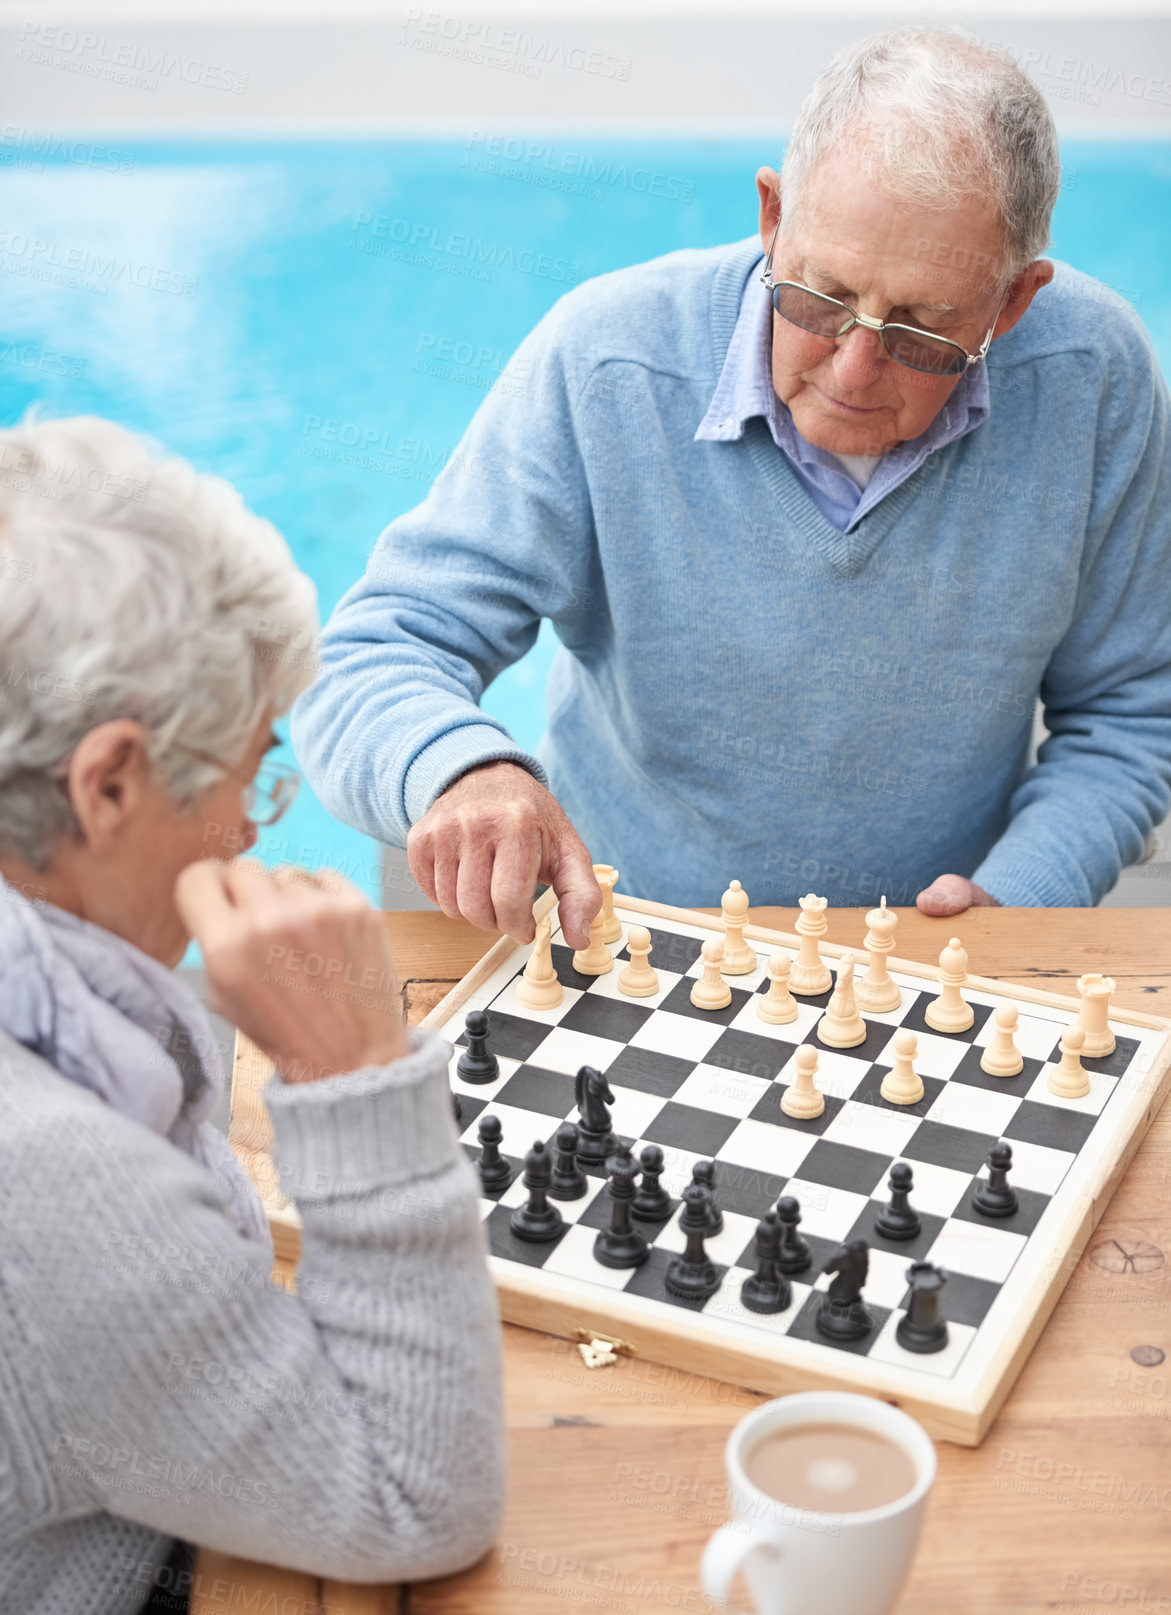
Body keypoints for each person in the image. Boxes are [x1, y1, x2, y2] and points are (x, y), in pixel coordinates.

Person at [292, 24, 1171, 949]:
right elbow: (368, 655)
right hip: (624, 936)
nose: (854, 369)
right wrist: (459, 771)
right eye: (820, 297)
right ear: (770, 216)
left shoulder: (1093, 375)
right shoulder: (608, 358)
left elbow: (1130, 712)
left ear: (1013, 301)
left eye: (922, 330)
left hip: (933, 964)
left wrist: (1019, 902)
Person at [0, 417, 506, 1615]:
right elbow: (414, 1497)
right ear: (108, 782)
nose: (243, 824)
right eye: (246, 775)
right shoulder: (51, 1182)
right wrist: (356, 1079)